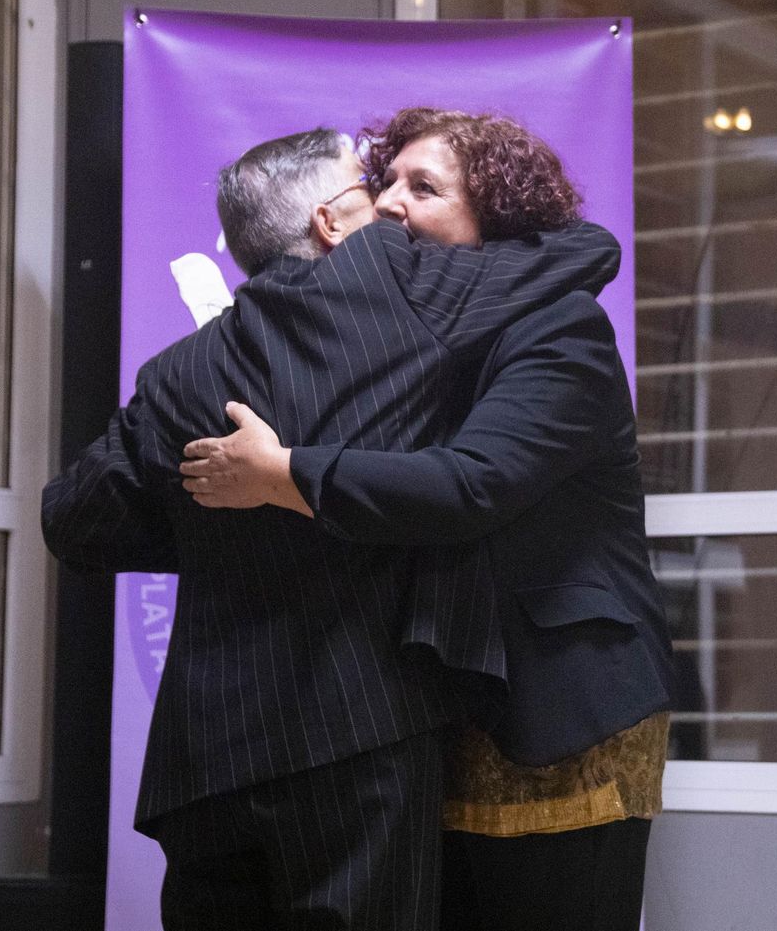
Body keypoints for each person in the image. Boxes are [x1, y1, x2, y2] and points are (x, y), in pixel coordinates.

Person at [41, 124, 620, 930]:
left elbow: (72, 521)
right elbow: (584, 251)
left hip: (200, 760)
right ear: (331, 221)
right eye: (368, 190)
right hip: (355, 744)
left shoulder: (177, 373)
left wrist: (211, 504)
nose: (387, 206)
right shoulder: (402, 281)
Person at [179, 107, 674, 931]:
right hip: (438, 719)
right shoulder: (399, 342)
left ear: (499, 215)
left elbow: (472, 484)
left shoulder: (562, 328)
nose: (392, 203)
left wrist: (280, 473)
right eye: (386, 183)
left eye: (425, 186)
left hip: (561, 708)